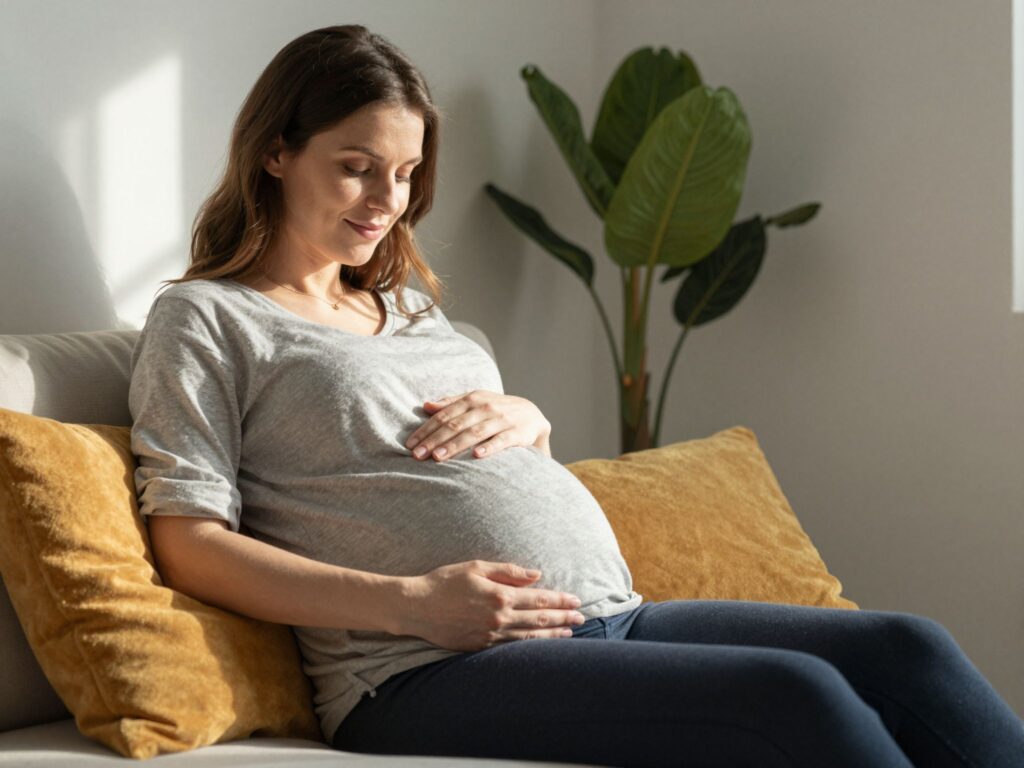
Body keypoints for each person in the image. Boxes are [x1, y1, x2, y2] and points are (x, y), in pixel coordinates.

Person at [128, 24, 1024, 768]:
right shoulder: (209, 317)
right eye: (357, 166)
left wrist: (534, 424)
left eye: (405, 174)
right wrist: (410, 602)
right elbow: (189, 543)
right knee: (791, 695)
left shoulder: (407, 306)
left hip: (613, 617)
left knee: (908, 649)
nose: (386, 200)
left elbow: (475, 472)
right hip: (419, 669)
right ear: (277, 152)